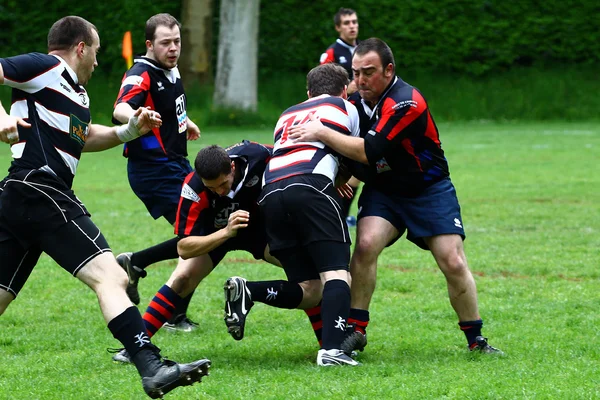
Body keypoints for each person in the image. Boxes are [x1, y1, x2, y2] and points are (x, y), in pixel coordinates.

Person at [0, 16, 209, 398]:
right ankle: (152, 366)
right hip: (40, 188)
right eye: (95, 51)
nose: (97, 61)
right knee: (111, 277)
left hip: (20, 198)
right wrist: (1, 118)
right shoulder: (46, 67)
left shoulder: (75, 94)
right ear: (80, 47)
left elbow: (86, 135)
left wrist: (130, 131)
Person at [288, 38, 503, 356]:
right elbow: (346, 150)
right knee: (365, 246)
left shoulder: (406, 102)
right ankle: (355, 331)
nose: (360, 81)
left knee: (453, 261)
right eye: (356, 73)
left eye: (369, 72)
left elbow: (368, 150)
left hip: (428, 190)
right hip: (384, 192)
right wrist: (339, 177)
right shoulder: (355, 102)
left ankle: (476, 339)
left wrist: (320, 131)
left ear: (389, 70)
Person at [111, 141, 324, 363]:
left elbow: (293, 162)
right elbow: (183, 247)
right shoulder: (193, 187)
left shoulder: (259, 156)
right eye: (212, 188)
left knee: (307, 275)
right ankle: (136, 346)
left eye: (223, 184)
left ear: (232, 168)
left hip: (261, 231)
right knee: (182, 279)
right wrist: (225, 233)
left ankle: (327, 344)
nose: (220, 192)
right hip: (216, 235)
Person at [257, 63, 361, 366]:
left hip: (270, 193)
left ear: (308, 92)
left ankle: (249, 291)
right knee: (337, 273)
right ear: (344, 90)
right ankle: (332, 350)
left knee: (309, 287)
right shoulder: (346, 106)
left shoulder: (286, 114)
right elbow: (357, 151)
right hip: (310, 187)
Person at [112, 13, 201, 332]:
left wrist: (184, 121)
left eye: (177, 41)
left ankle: (136, 263)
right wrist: (136, 116)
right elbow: (120, 107)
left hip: (176, 165)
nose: (174, 48)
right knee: (198, 233)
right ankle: (173, 313)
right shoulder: (141, 72)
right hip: (153, 170)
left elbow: (170, 104)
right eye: (166, 43)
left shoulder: (169, 68)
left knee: (200, 232)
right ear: (150, 44)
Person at [319, 7, 361, 227]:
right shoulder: (332, 54)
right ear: (338, 27)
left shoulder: (364, 50)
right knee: (344, 170)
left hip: (361, 117)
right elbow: (321, 88)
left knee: (356, 172)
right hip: (341, 119)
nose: (352, 26)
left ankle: (342, 217)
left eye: (354, 21)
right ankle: (337, 216)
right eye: (346, 23)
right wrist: (351, 88)